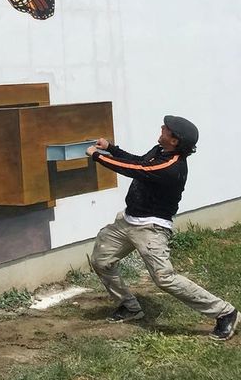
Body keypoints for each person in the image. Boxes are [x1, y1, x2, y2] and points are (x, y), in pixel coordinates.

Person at [85, 115, 237, 341]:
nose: (162, 128)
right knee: (101, 261)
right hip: (128, 221)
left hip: (151, 228)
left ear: (175, 140)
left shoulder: (171, 166)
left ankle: (225, 312)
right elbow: (138, 162)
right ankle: (129, 306)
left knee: (164, 278)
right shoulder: (160, 151)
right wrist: (112, 149)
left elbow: (134, 170)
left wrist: (97, 156)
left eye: (167, 129)